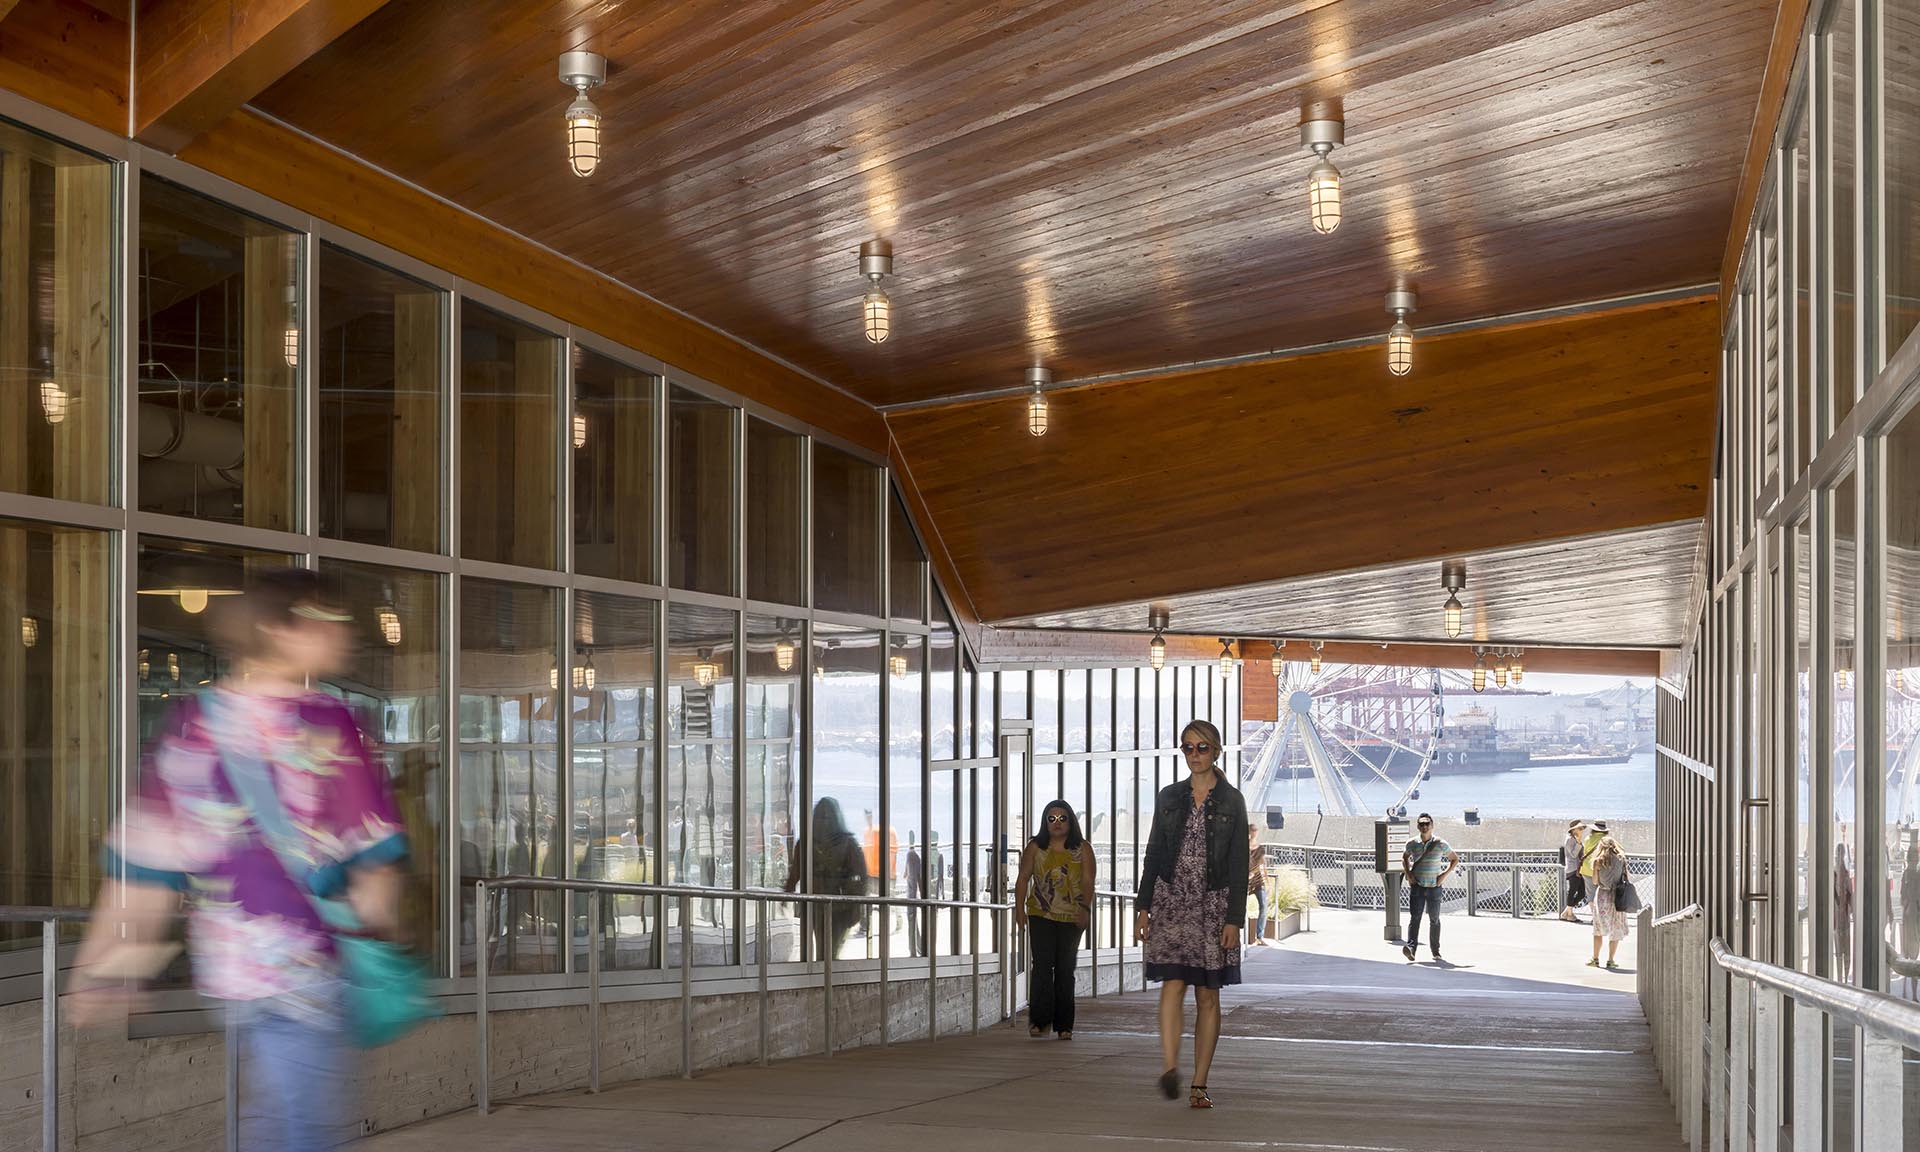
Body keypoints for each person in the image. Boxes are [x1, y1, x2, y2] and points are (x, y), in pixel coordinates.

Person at [70, 571, 408, 1152]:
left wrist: (105, 964)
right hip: (309, 961)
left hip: (232, 969)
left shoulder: (193, 725)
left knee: (282, 1113)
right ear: (279, 630)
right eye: (327, 620)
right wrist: (384, 936)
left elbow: (146, 862)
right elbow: (373, 858)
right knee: (302, 1128)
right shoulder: (329, 723)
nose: (345, 632)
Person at [1135, 720, 1248, 1109]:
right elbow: (1153, 852)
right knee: (1172, 984)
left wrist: (1234, 918)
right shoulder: (1169, 797)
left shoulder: (1232, 801)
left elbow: (1238, 864)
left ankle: (1199, 1083)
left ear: (1216, 751)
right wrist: (1143, 905)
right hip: (1171, 899)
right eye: (1187, 748)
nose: (1194, 755)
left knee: (1207, 995)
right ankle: (1170, 1067)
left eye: (1201, 747)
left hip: (1213, 904)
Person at [1014, 800, 1095, 1039]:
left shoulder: (1082, 848)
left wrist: (1085, 909)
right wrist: (1020, 910)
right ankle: (1039, 1021)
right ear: (1044, 822)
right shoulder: (1035, 848)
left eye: (1062, 818)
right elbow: (1022, 879)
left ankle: (1064, 1026)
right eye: (1051, 819)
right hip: (1041, 913)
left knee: (1065, 968)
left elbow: (1088, 881)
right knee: (1041, 966)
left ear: (1071, 820)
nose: (1057, 823)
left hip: (1072, 916)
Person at [784, 797, 868, 960]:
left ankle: (828, 976)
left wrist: (857, 905)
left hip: (840, 907)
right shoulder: (807, 843)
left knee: (830, 949)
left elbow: (860, 877)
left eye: (827, 817)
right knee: (825, 948)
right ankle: (825, 976)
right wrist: (786, 892)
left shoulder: (848, 844)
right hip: (817, 905)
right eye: (821, 817)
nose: (824, 821)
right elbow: (796, 871)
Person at [1401, 813, 1458, 962]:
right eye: (1421, 824)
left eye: (1427, 824)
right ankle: (1411, 948)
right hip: (1417, 886)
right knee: (1415, 918)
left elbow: (1454, 859)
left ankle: (1435, 951)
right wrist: (1409, 875)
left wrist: (1443, 876)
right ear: (1418, 826)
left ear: (1432, 826)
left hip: (1434, 887)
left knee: (1434, 919)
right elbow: (1405, 857)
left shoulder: (1440, 843)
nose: (1424, 826)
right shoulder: (1411, 843)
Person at [1588, 829, 1630, 969]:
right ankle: (1611, 960)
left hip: (1602, 895)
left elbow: (1594, 881)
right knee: (1615, 928)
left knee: (1598, 928)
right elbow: (1625, 877)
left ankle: (1595, 959)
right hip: (1617, 895)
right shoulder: (1621, 859)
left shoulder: (1597, 861)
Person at [1560, 820, 1589, 921]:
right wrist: (1579, 842)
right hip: (1572, 869)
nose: (1582, 831)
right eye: (1580, 829)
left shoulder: (1575, 839)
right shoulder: (1569, 840)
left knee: (1581, 893)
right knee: (1573, 890)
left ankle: (1567, 912)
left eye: (1582, 829)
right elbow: (1573, 854)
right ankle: (1569, 913)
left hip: (1578, 869)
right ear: (1573, 830)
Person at [1246, 823, 1270, 946]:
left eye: (1255, 830)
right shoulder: (1242, 847)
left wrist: (1267, 881)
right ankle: (1242, 935)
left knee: (1263, 906)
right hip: (1245, 881)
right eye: (1252, 830)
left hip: (1257, 881)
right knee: (1241, 908)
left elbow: (1262, 865)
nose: (1254, 832)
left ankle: (1259, 936)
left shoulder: (1260, 848)